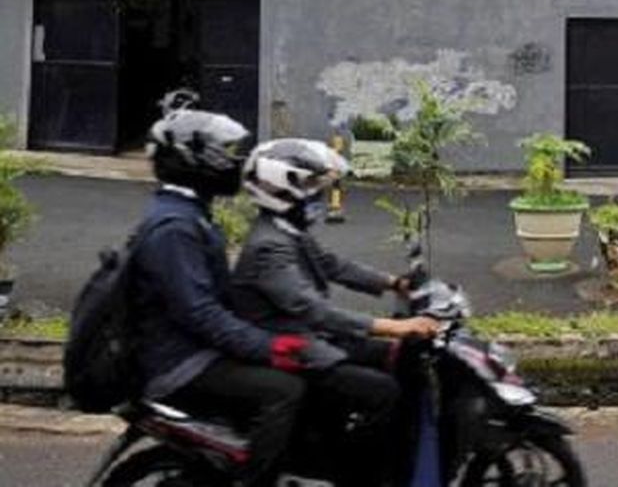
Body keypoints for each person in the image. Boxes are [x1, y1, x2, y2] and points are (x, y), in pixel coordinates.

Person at [130, 109, 335, 487]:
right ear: (191, 162)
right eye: (221, 154)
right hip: (179, 362)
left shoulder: (189, 213)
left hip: (192, 349)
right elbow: (200, 312)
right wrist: (269, 347)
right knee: (286, 390)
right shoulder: (174, 228)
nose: (232, 163)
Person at [230, 137, 440, 485]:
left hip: (310, 339)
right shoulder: (269, 247)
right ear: (282, 190)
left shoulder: (287, 230)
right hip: (291, 349)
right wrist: (394, 326)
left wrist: (394, 283)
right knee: (383, 391)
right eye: (310, 186)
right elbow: (313, 311)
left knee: (396, 358)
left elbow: (332, 264)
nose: (318, 195)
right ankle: (357, 474)